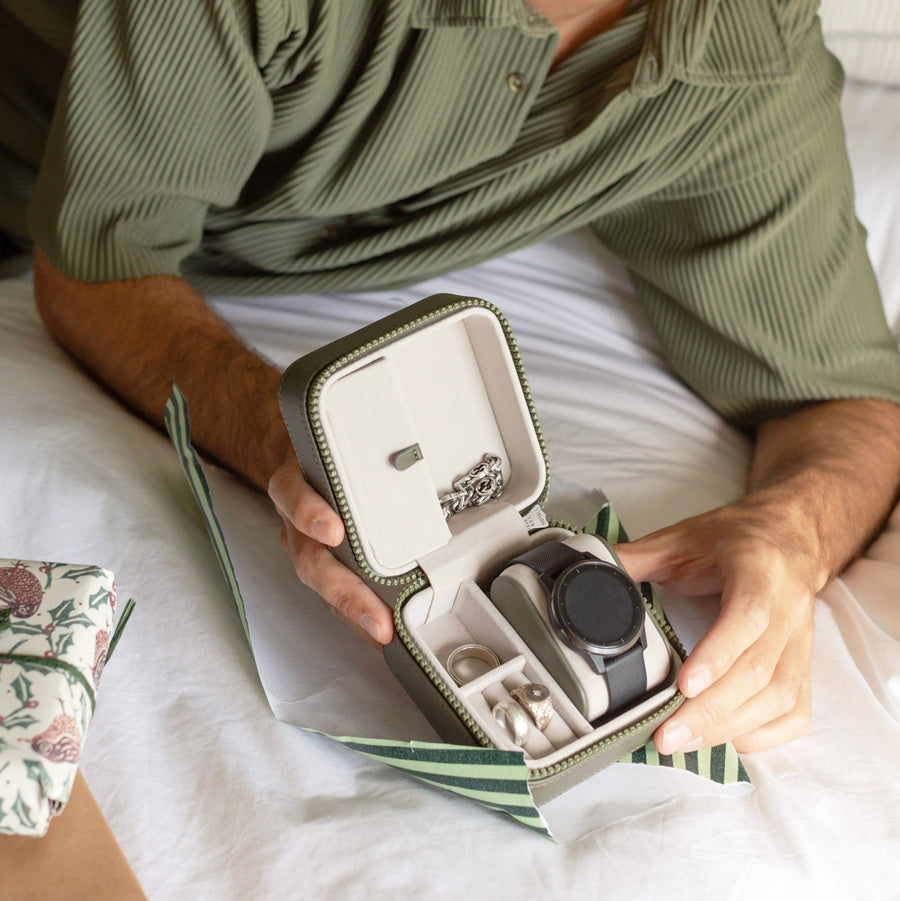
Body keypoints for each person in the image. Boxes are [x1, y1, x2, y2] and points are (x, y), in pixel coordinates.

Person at [2, 0, 900, 759]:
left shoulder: (740, 45)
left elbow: (844, 400)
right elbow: (97, 265)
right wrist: (298, 443)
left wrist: (797, 527)